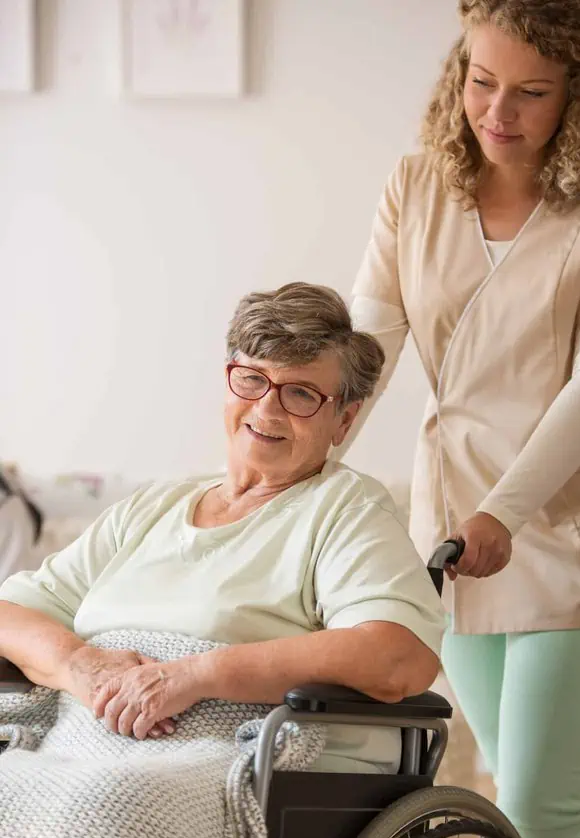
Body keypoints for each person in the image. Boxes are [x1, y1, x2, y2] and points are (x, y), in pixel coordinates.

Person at [346, 1, 580, 838]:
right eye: (480, 80)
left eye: (530, 92)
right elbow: (365, 351)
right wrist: (304, 466)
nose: (497, 111)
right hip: (454, 533)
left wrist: (506, 508)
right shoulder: (414, 185)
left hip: (572, 528)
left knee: (543, 808)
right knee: (515, 804)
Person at [0, 281, 443, 771]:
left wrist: (195, 676)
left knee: (99, 811)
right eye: (252, 379)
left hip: (223, 762)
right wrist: (79, 664)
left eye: (300, 393)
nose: (267, 409)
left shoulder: (345, 510)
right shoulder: (154, 507)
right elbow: (10, 614)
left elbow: (398, 655)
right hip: (81, 748)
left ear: (344, 420)